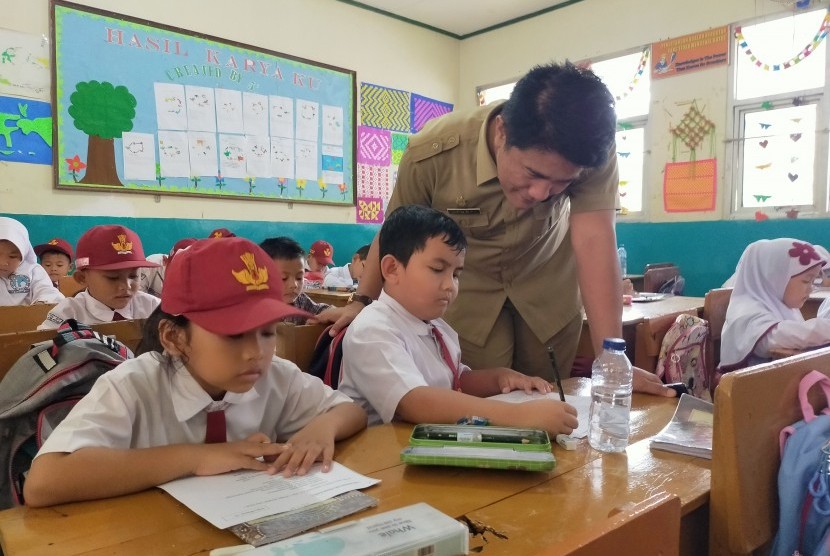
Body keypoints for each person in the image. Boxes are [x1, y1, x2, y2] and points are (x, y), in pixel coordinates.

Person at [333, 62, 671, 397]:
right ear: (501, 132)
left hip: (547, 289)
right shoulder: (433, 153)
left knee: (548, 402)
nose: (542, 194)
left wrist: (613, 363)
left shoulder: (589, 150)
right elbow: (395, 229)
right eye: (533, 174)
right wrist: (362, 301)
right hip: (470, 295)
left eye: (561, 183)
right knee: (473, 409)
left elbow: (595, 240)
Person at [23, 237, 367, 508]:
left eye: (266, 331)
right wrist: (198, 458)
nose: (256, 352)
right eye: (233, 335)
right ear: (174, 337)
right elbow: (44, 482)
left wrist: (324, 426)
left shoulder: (276, 376)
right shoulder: (133, 385)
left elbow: (350, 411)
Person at [339, 205, 578, 437]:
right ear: (392, 269)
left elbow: (455, 380)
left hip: (427, 449)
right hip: (377, 460)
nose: (449, 285)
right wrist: (519, 416)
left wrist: (501, 378)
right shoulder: (372, 329)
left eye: (456, 274)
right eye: (437, 269)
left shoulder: (436, 326)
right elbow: (415, 402)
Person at [720, 238, 830, 371]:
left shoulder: (784, 307)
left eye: (814, 280)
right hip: (748, 389)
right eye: (806, 281)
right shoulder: (746, 312)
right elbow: (777, 337)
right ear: (776, 279)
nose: (811, 288)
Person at [38, 225, 161, 329]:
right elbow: (39, 349)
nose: (126, 285)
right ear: (82, 278)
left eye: (133, 276)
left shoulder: (153, 308)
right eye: (113, 278)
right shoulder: (66, 314)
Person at [259, 237, 345, 325]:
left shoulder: (300, 301)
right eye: (283, 278)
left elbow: (321, 310)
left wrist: (335, 312)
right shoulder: (255, 306)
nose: (294, 285)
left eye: (299, 278)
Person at [0, 217, 63, 306]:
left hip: (26, 318)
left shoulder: (33, 270)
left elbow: (46, 290)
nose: (3, 263)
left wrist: (43, 301)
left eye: (12, 256)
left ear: (24, 253)